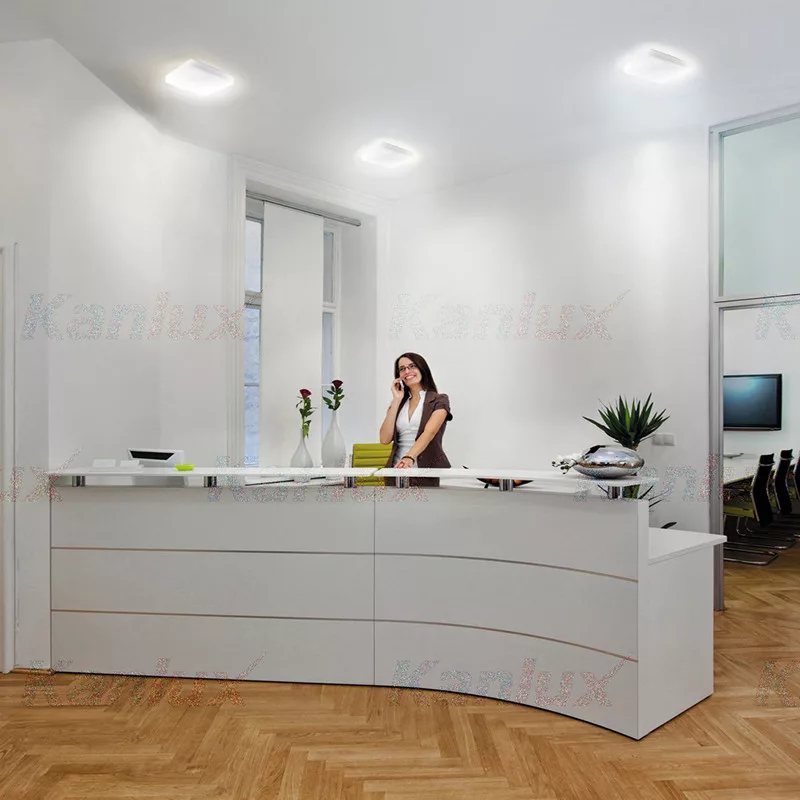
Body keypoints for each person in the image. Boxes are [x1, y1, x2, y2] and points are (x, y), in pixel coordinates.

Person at [379, 352, 452, 486]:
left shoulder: (439, 400)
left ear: (422, 368)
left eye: (412, 366)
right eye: (402, 369)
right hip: (396, 471)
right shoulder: (398, 404)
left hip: (425, 472)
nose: (407, 371)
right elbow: (384, 439)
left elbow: (429, 432)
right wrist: (396, 400)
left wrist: (409, 457)